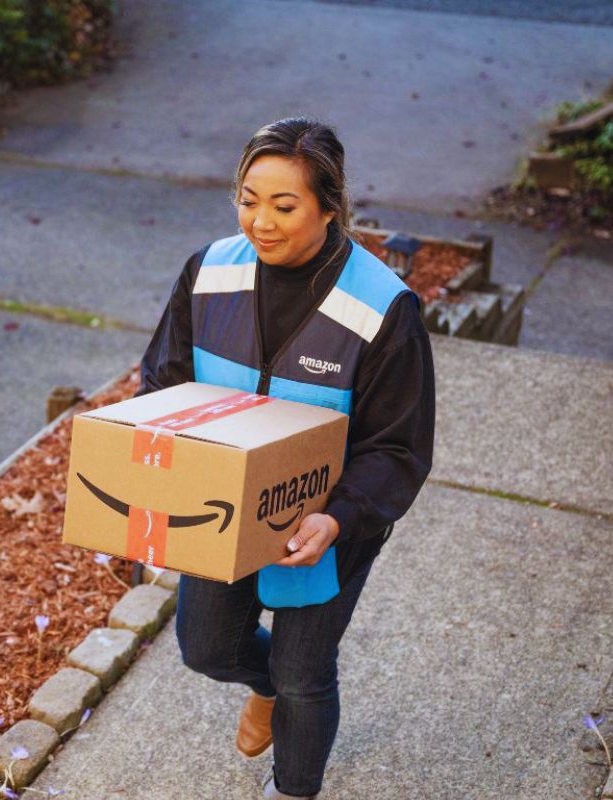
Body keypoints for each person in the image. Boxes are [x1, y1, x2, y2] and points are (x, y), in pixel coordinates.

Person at [136, 117, 435, 799]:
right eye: (248, 199)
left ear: (330, 208)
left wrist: (337, 518)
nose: (260, 222)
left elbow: (398, 445)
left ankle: (293, 788)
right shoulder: (209, 273)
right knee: (206, 647)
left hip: (329, 521)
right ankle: (262, 689)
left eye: (284, 205)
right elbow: (163, 381)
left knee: (306, 672)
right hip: (223, 505)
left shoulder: (380, 307)